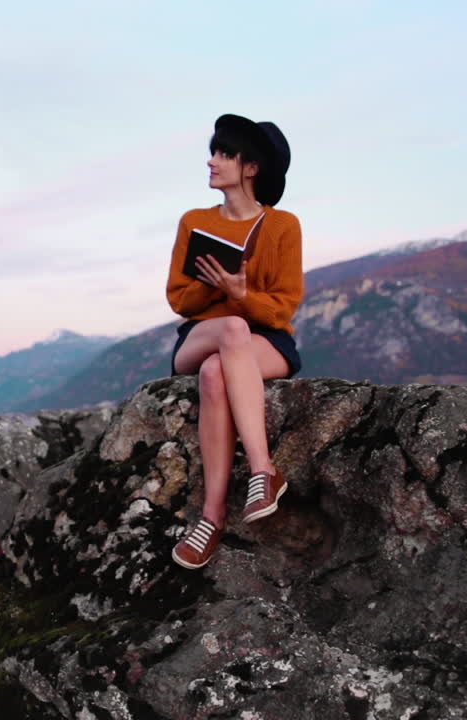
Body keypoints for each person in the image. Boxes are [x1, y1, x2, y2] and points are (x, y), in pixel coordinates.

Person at [166, 114, 304, 569]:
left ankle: (211, 517)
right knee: (229, 330)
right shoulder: (194, 221)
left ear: (252, 167)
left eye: (225, 154)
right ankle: (263, 469)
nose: (212, 161)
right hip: (204, 334)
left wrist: (243, 295)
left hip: (264, 339)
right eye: (214, 152)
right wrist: (217, 287)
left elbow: (283, 309)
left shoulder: (283, 226)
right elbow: (179, 300)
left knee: (215, 372)